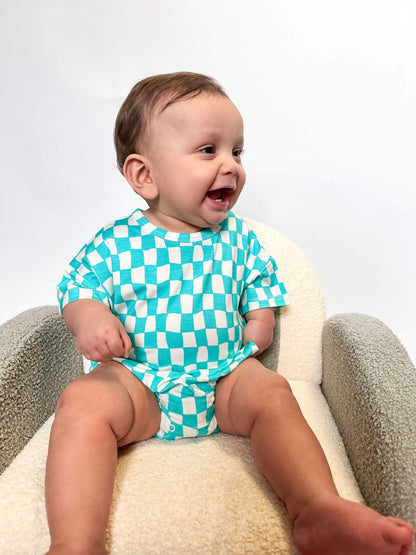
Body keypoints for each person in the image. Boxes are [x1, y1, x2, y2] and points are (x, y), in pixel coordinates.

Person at [46, 72, 414, 555]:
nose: (231, 166)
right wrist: (90, 317)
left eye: (236, 152)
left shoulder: (239, 238)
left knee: (272, 392)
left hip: (223, 380)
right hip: (140, 384)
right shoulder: (116, 243)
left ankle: (316, 509)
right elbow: (78, 288)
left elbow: (260, 281)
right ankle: (77, 541)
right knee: (82, 401)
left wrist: (260, 321)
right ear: (144, 176)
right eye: (208, 150)